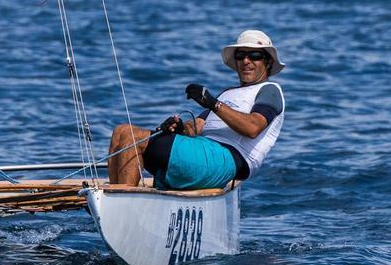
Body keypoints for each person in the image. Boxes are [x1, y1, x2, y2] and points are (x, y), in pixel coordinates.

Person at [108, 30, 286, 191]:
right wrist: (178, 129)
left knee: (133, 138)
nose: (246, 61)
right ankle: (115, 204)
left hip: (228, 158)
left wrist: (212, 103)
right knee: (122, 131)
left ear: (268, 62)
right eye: (241, 56)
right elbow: (195, 127)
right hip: (202, 153)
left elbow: (253, 128)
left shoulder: (269, 90)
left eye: (254, 55)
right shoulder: (227, 94)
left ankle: (123, 204)